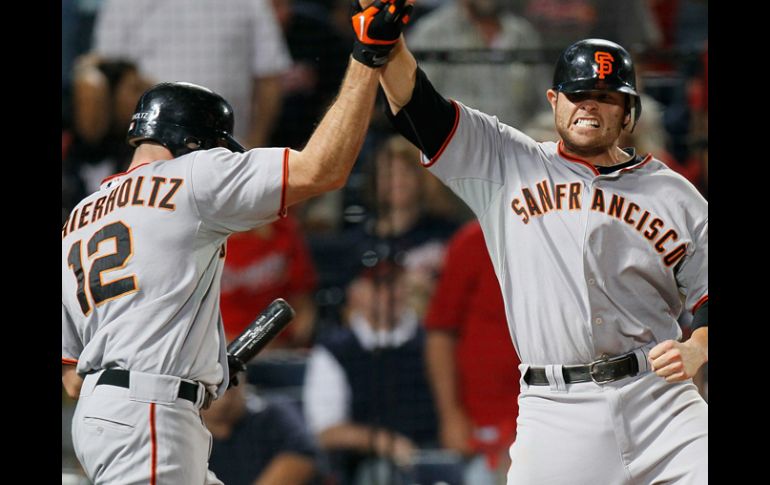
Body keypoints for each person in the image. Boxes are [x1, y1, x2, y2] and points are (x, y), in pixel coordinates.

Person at [61, 2, 414, 483]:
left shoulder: (80, 214)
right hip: (150, 411)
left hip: (103, 419)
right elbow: (322, 169)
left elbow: (71, 376)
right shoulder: (193, 175)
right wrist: (367, 56)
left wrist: (194, 365)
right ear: (193, 141)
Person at [376, 36, 708, 483]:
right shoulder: (506, 162)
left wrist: (697, 348)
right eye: (579, 94)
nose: (590, 107)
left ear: (629, 112)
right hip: (557, 408)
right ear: (555, 101)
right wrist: (387, 46)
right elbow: (419, 107)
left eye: (606, 98)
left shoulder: (675, 195)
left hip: (660, 400)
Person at [302, 261, 439, 485]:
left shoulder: (431, 341)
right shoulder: (335, 349)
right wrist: (382, 441)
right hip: (369, 464)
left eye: (396, 283)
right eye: (379, 284)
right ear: (355, 293)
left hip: (437, 455)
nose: (390, 293)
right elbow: (325, 432)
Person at [93, 0, 292, 148]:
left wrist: (255, 144)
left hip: (226, 149)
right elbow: (111, 79)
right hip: (150, 148)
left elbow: (269, 77)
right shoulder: (122, 4)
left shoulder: (249, 3)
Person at [423, 220, 521, 485]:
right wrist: (450, 414)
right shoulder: (475, 240)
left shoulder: (568, 237)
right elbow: (440, 333)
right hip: (484, 421)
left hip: (551, 416)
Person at [202, 378, 319, 485]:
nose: (224, 398)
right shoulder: (188, 430)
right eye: (214, 388)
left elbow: (302, 457)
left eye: (229, 386)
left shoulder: (271, 413)